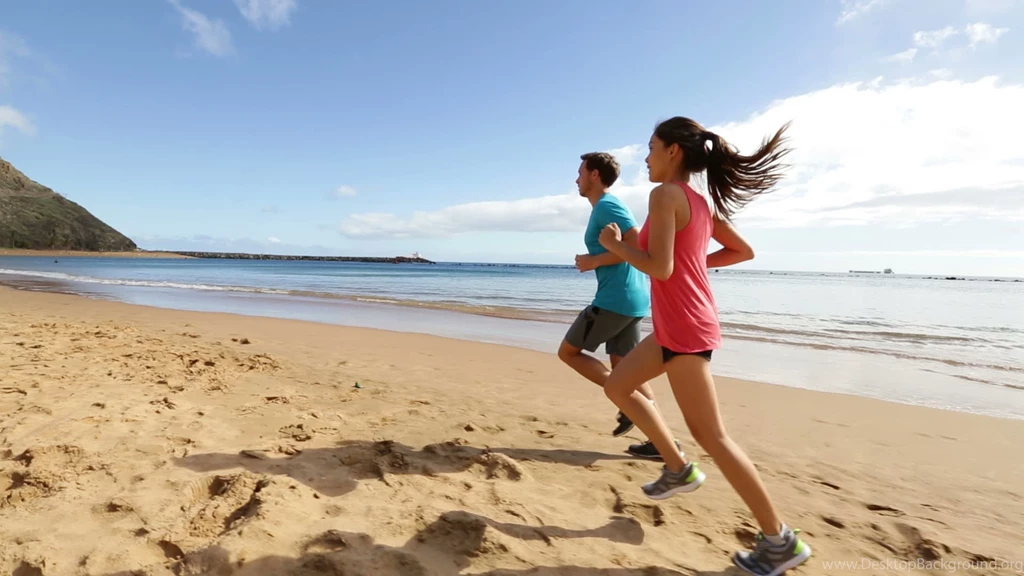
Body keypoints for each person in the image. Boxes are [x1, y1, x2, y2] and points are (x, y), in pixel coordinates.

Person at [597, 117, 811, 575]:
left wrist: (615, 246)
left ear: (674, 151)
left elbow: (660, 267)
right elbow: (740, 251)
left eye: (652, 147)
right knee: (618, 386)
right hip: (679, 325)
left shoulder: (666, 194)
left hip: (686, 329)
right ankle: (677, 469)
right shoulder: (699, 202)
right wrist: (694, 263)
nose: (647, 157)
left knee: (713, 437)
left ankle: (779, 540)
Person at [558, 152, 676, 459]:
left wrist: (593, 260)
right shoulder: (606, 206)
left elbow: (637, 244)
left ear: (595, 175)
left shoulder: (608, 205)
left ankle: (627, 403)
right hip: (633, 298)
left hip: (616, 299)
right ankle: (662, 443)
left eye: (581, 172)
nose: (577, 179)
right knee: (626, 368)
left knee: (568, 352)